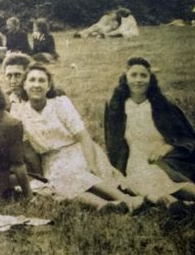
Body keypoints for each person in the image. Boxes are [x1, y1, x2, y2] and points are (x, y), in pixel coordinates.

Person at [10, 64, 144, 212]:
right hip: (50, 161)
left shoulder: (60, 104)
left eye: (42, 81)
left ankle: (127, 200)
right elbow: (27, 149)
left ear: (48, 87)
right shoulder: (19, 112)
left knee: (72, 174)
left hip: (78, 150)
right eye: (32, 80)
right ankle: (104, 205)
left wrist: (92, 166)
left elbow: (84, 137)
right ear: (24, 85)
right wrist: (40, 173)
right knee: (57, 185)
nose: (36, 85)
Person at [105, 57, 195, 207]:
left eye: (143, 75)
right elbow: (113, 144)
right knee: (138, 179)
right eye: (133, 75)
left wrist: (167, 147)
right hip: (135, 161)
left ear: (150, 79)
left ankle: (178, 202)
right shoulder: (116, 107)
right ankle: (175, 204)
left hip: (169, 160)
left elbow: (188, 138)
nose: (138, 80)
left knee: (158, 174)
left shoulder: (163, 104)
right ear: (125, 78)